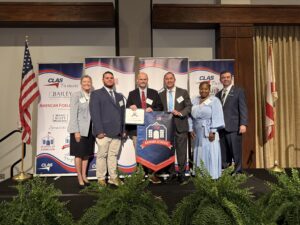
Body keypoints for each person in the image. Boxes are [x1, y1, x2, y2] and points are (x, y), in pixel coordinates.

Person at [126, 72, 163, 184]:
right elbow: (127, 109)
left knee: (152, 152)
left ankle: (152, 174)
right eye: (141, 79)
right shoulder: (132, 94)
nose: (143, 81)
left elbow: (161, 107)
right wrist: (130, 107)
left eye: (145, 79)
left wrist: (153, 109)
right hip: (137, 130)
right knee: (139, 153)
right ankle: (140, 175)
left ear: (147, 80)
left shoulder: (154, 93)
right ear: (137, 81)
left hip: (151, 129)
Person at [89, 71, 125, 186]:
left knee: (113, 156)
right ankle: (101, 179)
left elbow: (123, 114)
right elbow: (95, 113)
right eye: (107, 78)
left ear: (114, 80)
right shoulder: (96, 94)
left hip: (117, 132)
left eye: (111, 78)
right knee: (102, 155)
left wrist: (123, 130)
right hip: (103, 132)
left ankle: (113, 178)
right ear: (103, 80)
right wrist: (99, 131)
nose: (109, 80)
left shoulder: (119, 96)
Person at [159, 72, 192, 183]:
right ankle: (171, 173)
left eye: (171, 78)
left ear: (174, 79)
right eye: (167, 79)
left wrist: (180, 113)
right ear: (164, 80)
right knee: (169, 152)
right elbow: (158, 110)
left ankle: (182, 174)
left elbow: (189, 107)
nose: (169, 80)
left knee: (182, 152)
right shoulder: (161, 94)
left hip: (181, 125)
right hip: (167, 127)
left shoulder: (183, 92)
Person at [189, 82, 225, 179]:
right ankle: (200, 174)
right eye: (201, 88)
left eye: (205, 89)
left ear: (209, 90)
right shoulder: (194, 100)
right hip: (197, 132)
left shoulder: (214, 100)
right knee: (199, 151)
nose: (203, 91)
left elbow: (217, 116)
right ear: (199, 89)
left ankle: (212, 174)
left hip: (209, 130)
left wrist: (213, 131)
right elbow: (189, 116)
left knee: (210, 151)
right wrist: (190, 128)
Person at [216, 71, 248, 174]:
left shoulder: (238, 91)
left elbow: (243, 108)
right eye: (223, 77)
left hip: (234, 127)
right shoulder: (218, 94)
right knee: (224, 152)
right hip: (221, 128)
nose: (225, 79)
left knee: (236, 151)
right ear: (220, 79)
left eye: (227, 77)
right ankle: (226, 170)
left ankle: (238, 171)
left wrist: (243, 124)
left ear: (231, 78)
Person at [68, 75, 95, 189]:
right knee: (78, 154)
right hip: (79, 130)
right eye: (84, 81)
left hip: (90, 130)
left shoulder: (93, 96)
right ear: (81, 83)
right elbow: (73, 114)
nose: (87, 83)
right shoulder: (76, 95)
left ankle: (84, 175)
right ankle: (79, 177)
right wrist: (76, 131)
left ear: (91, 83)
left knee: (86, 154)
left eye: (88, 81)